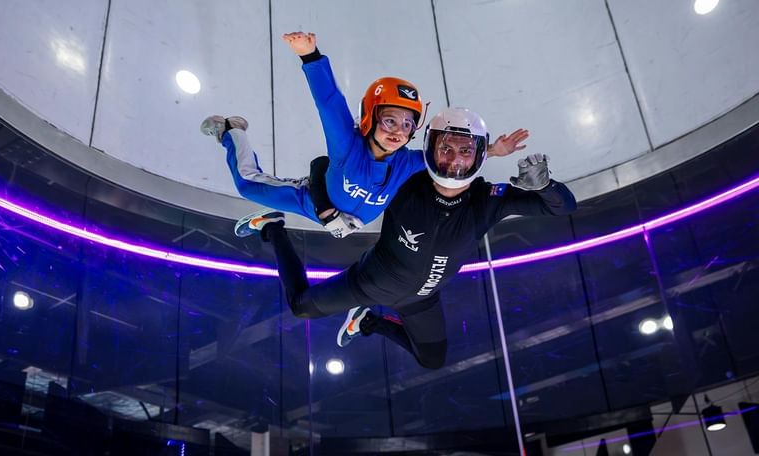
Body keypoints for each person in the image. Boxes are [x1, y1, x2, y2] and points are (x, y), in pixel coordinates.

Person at [241, 107, 577, 369]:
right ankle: (272, 228)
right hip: (368, 282)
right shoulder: (404, 181)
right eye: (446, 148)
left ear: (478, 156)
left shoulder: (491, 198)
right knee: (301, 307)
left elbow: (562, 208)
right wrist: (325, 208)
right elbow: (322, 165)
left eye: (465, 151)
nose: (455, 159)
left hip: (421, 300)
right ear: (431, 148)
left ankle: (368, 321)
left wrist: (545, 185)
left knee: (431, 360)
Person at [201, 32, 528, 238]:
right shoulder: (348, 145)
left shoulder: (411, 162)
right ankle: (233, 130)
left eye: (406, 125)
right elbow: (329, 104)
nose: (398, 132)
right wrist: (311, 57)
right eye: (389, 121)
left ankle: (268, 222)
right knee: (247, 186)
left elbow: (448, 161)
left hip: (342, 224)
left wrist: (495, 151)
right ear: (371, 118)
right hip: (311, 202)